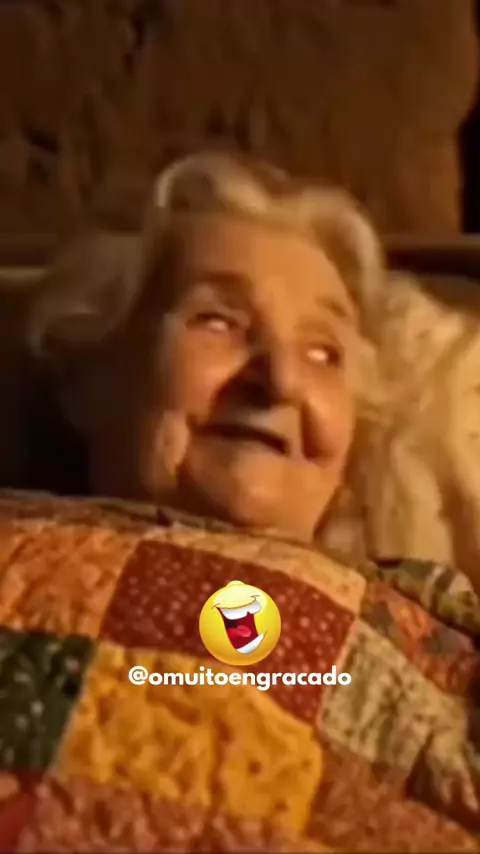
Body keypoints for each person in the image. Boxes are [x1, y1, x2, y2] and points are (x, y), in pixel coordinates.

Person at [28, 150, 381, 545]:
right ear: (84, 377)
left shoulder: (417, 585)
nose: (281, 380)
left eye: (322, 353)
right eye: (217, 321)